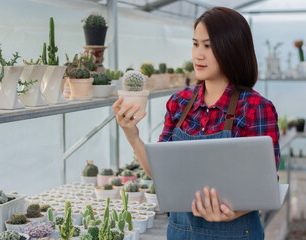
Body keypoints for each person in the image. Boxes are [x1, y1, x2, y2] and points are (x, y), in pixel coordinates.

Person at [112, 6, 280, 240]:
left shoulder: (256, 107)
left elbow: (266, 185)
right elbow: (160, 173)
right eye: (195, 44)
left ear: (232, 48)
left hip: (236, 233)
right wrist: (131, 134)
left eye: (208, 46)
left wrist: (232, 214)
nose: (198, 55)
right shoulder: (178, 103)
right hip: (181, 233)